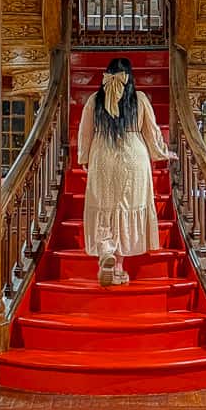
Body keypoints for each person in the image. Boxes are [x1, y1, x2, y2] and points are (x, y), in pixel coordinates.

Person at [77, 56, 176, 287]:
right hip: (134, 157)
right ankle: (119, 266)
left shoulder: (94, 99)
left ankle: (106, 252)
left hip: (103, 155)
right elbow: (151, 130)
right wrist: (162, 152)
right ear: (130, 76)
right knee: (125, 207)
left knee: (105, 206)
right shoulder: (139, 98)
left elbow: (85, 131)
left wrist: (84, 157)